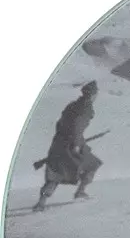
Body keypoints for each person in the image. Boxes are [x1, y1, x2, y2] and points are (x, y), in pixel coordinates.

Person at [32, 81, 105, 211]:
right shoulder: (86, 108)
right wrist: (76, 143)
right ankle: (80, 191)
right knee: (93, 164)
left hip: (59, 143)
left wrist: (65, 138)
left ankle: (41, 202)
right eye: (96, 93)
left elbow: (60, 124)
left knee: (56, 171)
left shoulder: (72, 105)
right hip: (72, 146)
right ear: (92, 95)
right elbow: (78, 126)